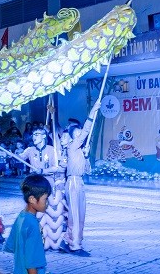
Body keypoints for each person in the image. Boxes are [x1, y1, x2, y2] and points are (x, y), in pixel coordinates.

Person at [59, 101, 101, 257]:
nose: (80, 134)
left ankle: (69, 239)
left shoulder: (78, 151)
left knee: (80, 214)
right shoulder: (72, 146)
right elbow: (86, 131)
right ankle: (75, 246)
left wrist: (86, 155)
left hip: (79, 182)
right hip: (73, 182)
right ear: (72, 138)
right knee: (76, 215)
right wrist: (92, 112)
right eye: (77, 133)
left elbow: (87, 170)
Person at [15, 127, 64, 250]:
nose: (34, 137)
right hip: (34, 183)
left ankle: (50, 241)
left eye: (37, 134)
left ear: (43, 136)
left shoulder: (51, 150)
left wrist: (42, 170)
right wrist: (14, 155)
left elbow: (55, 168)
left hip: (47, 182)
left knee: (48, 212)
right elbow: (20, 157)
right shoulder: (30, 150)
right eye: (33, 134)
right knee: (33, 213)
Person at [4, 174, 52, 274]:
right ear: (32, 199)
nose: (47, 203)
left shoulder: (21, 216)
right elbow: (32, 265)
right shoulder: (33, 225)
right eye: (45, 199)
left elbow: (10, 246)